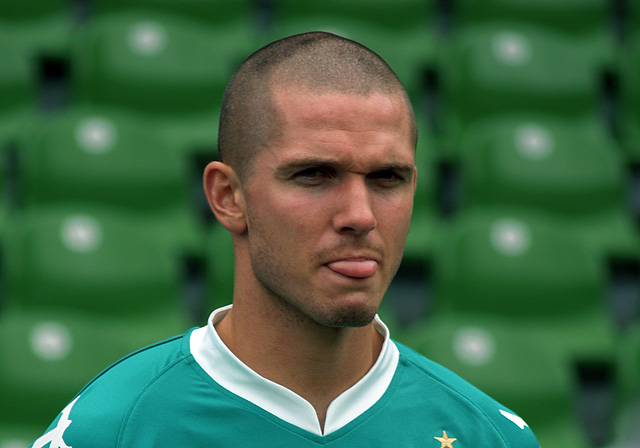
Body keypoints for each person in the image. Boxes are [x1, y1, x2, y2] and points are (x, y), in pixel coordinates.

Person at [31, 32, 539, 447]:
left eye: (388, 178)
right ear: (229, 196)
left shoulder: (488, 436)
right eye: (315, 175)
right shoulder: (110, 432)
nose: (360, 216)